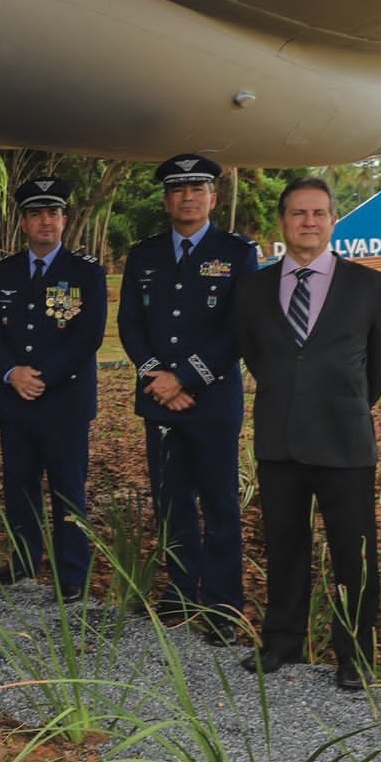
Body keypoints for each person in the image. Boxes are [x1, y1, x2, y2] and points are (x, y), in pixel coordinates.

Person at [234, 177, 381, 692]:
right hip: (279, 440)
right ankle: (282, 641)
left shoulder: (368, 287)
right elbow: (256, 355)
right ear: (282, 222)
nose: (309, 222)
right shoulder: (253, 289)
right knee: (284, 546)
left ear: (332, 221)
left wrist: (343, 404)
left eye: (319, 213)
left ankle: (355, 653)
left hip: (344, 441)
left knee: (354, 552)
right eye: (299, 213)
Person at [117, 155, 257, 643]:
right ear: (166, 199)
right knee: (171, 501)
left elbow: (238, 329)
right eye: (178, 189)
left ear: (213, 198)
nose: (188, 196)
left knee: (219, 505)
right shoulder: (145, 255)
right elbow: (131, 324)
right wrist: (158, 378)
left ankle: (222, 606)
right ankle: (180, 592)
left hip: (213, 402)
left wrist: (186, 379)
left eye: (198, 188)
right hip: (160, 400)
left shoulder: (237, 253)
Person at [0, 178, 108, 600]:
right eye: (36, 214)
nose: (45, 221)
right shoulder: (4, 272)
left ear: (64, 220)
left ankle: (72, 572)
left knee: (68, 490)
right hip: (17, 401)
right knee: (19, 486)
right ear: (24, 222)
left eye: (52, 213)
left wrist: (42, 376)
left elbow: (87, 336)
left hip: (64, 402)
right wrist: (12, 372)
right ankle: (22, 561)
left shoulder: (86, 272)